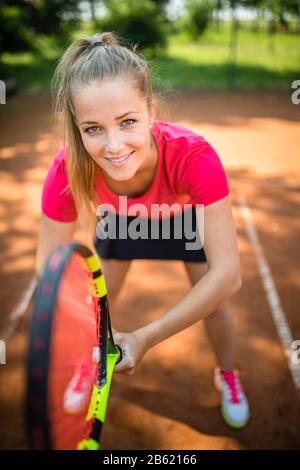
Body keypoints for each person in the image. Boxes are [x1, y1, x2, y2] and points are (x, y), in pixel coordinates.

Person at [36, 32, 249, 429]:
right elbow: (49, 268)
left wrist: (145, 336)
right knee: (98, 305)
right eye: (94, 128)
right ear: (77, 128)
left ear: (151, 110)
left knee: (215, 302)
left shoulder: (194, 156)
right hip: (120, 221)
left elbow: (228, 275)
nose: (114, 146)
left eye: (128, 121)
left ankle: (227, 373)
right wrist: (85, 323)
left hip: (182, 221)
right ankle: (91, 360)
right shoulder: (66, 167)